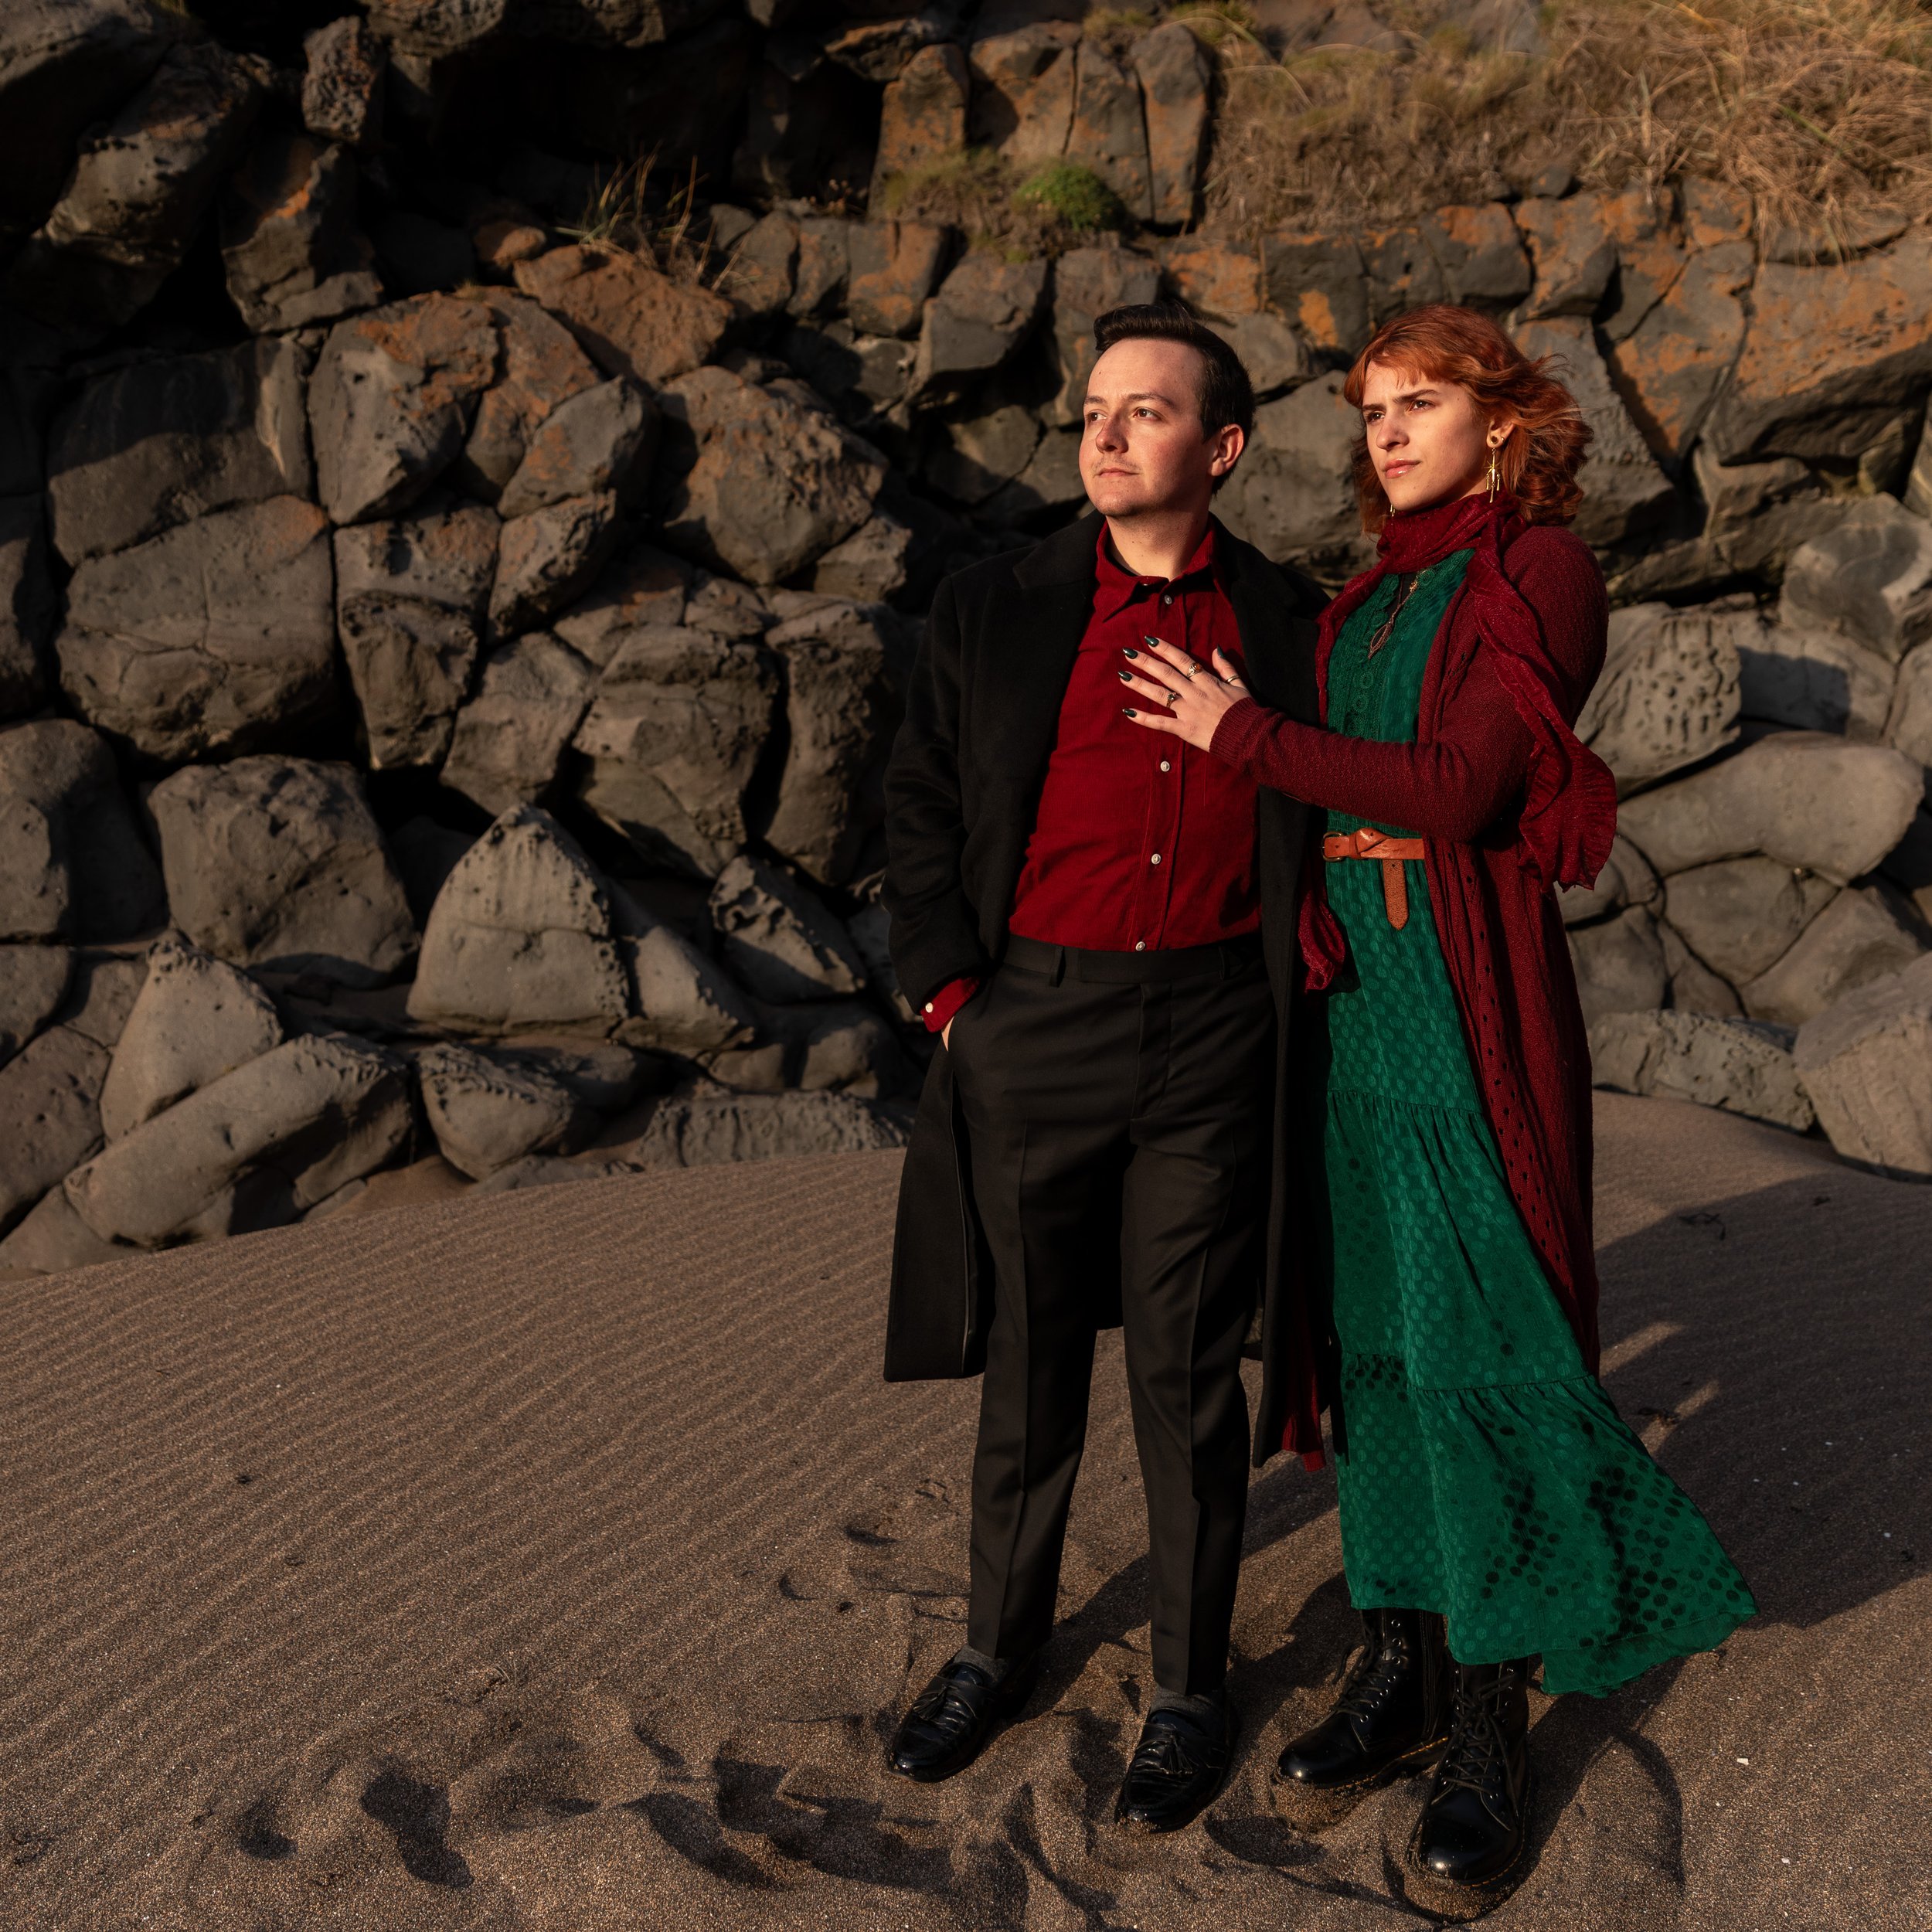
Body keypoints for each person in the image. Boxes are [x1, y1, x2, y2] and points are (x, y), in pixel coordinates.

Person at [1116, 302, 1754, 1914]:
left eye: (1420, 402)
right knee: (1379, 1346)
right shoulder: (1367, 595)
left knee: (1485, 1335)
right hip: (1351, 1009)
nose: (1387, 430)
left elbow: (1465, 788)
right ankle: (1399, 1657)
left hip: (1462, 1000)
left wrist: (1244, 735)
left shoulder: (1540, 570)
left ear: (1503, 418)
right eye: (1370, 408)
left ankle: (1488, 1710)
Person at [879, 302, 1325, 1833]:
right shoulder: (993, 603)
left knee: (1186, 1377)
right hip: (1033, 1021)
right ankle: (994, 1651)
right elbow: (920, 799)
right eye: (1094, 409)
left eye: (1147, 410)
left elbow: (1341, 800)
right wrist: (953, 998)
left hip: (1213, 1033)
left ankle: (1189, 1690)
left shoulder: (1288, 618)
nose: (1107, 432)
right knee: (1030, 1365)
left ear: (1223, 447)